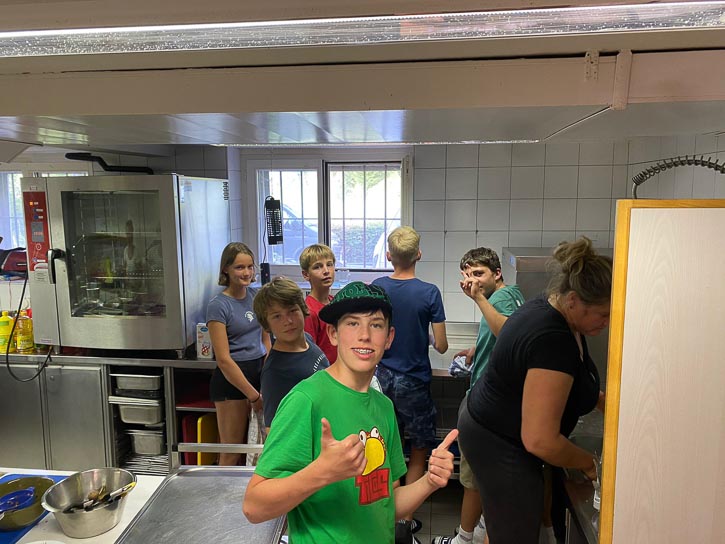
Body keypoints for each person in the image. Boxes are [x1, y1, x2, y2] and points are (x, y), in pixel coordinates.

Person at [243, 282, 458, 544]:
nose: (364, 335)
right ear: (333, 334)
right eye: (352, 323)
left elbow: (387, 504)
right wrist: (323, 472)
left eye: (375, 325)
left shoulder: (383, 407)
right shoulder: (305, 401)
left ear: (389, 338)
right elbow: (254, 507)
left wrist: (429, 481)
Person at [458, 237, 610, 544]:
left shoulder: (552, 309)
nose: (607, 323)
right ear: (573, 300)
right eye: (603, 314)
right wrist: (591, 465)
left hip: (493, 427)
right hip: (499, 442)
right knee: (513, 530)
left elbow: (569, 379)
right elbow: (540, 439)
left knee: (504, 524)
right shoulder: (552, 338)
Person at [434, 247, 525, 544]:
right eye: (467, 275)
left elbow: (510, 334)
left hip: (487, 403)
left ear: (497, 273)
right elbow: (503, 331)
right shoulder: (510, 295)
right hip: (497, 399)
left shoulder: (497, 298)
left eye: (478, 273)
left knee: (473, 476)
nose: (472, 280)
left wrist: (479, 299)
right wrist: (477, 349)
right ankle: (481, 530)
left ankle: (464, 538)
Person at [371, 226, 448, 543]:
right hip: (414, 381)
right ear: (419, 254)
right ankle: (404, 520)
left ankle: (384, 515)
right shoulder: (429, 292)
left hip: (381, 378)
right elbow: (441, 345)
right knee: (418, 449)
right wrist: (424, 335)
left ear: (389, 256)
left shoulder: (377, 287)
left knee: (382, 447)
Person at [207, 242, 271, 466]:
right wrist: (253, 396)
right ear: (226, 269)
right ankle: (221, 490)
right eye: (239, 267)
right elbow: (223, 359)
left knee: (261, 448)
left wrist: (268, 373)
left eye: (250, 267)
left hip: (258, 373)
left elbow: (265, 339)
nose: (246, 273)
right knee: (232, 450)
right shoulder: (218, 305)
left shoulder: (257, 296)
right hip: (232, 382)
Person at [253, 276, 329, 433]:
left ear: (303, 309)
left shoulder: (307, 338)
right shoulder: (275, 373)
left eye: (292, 311)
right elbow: (274, 431)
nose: (288, 321)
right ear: (267, 324)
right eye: (277, 316)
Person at [299, 244, 338, 364]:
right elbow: (310, 355)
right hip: (324, 370)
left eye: (329, 264)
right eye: (317, 267)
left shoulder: (334, 301)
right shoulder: (309, 311)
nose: (326, 271)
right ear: (306, 274)